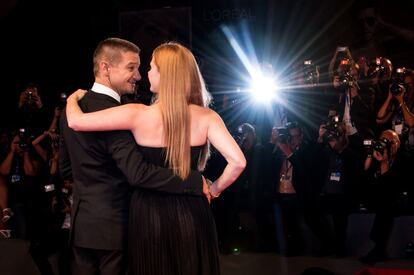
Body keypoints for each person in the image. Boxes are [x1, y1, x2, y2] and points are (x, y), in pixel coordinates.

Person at [66, 41, 246, 275]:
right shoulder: (208, 117)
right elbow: (238, 162)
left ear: (165, 75)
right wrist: (214, 190)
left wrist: (72, 100)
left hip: (148, 214)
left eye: (151, 67)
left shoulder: (137, 114)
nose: (145, 74)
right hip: (192, 211)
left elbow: (76, 122)